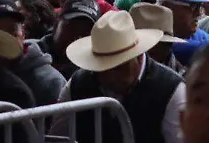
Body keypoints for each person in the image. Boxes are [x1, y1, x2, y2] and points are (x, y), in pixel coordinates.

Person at [54, 10, 185, 143]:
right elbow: (57, 138)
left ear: (138, 56)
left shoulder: (171, 90)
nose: (110, 77)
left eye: (119, 67)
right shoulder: (78, 84)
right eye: (102, 69)